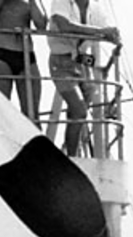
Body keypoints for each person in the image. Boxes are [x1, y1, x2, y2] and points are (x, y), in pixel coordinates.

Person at [47, 0, 120, 155]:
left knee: (77, 113)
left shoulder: (95, 9)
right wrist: (101, 31)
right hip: (60, 61)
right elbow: (63, 25)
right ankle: (71, 156)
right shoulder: (62, 2)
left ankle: (70, 150)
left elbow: (108, 32)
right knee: (79, 110)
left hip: (81, 61)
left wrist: (113, 35)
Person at [0, 0, 47, 121]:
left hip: (27, 55)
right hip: (1, 54)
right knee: (1, 112)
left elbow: (41, 25)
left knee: (32, 115)